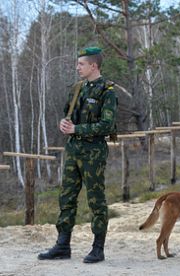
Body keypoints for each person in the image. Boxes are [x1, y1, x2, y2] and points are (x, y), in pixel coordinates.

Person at [38, 47, 117, 263]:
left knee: (96, 199)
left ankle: (98, 248)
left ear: (94, 65)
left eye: (81, 64)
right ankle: (63, 245)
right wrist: (64, 124)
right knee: (67, 197)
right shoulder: (77, 89)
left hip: (93, 151)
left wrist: (78, 130)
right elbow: (69, 116)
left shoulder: (107, 91)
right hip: (73, 150)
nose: (77, 67)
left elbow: (107, 125)